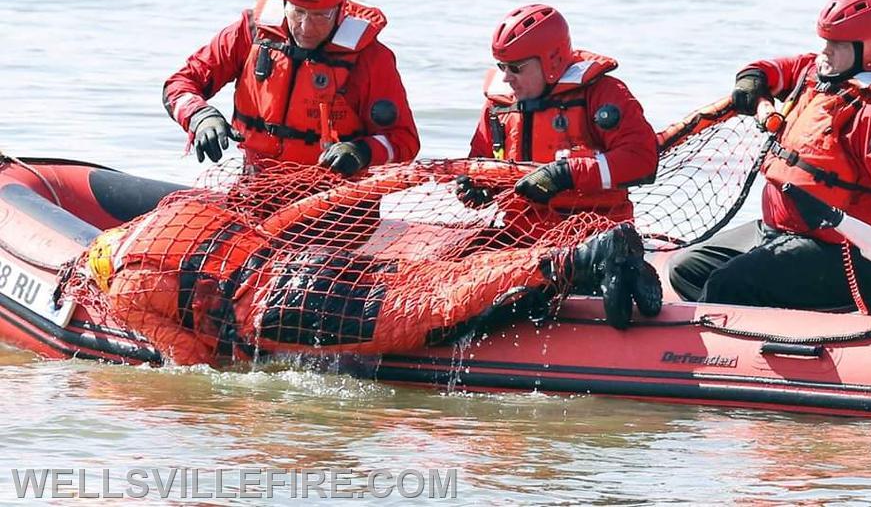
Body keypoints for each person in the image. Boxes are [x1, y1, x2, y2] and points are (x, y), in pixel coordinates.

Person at [81, 184, 659, 366]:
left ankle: (575, 261)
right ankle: (562, 270)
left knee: (422, 315)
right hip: (305, 263)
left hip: (279, 310)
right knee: (424, 285)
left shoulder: (124, 288)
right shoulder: (177, 213)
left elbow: (191, 360)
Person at [668, 0, 871, 310]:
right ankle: (768, 323)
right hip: (778, 232)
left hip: (843, 255)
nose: (825, 51)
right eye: (825, 40)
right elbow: (775, 68)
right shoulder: (816, 74)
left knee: (727, 285)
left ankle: (726, 347)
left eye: (836, 44)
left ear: (868, 50)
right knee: (686, 269)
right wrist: (752, 79)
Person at [162, 0, 420, 174]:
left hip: (338, 206)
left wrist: (361, 152)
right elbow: (180, 83)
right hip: (257, 190)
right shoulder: (249, 33)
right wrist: (201, 116)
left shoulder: (371, 59)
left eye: (321, 16)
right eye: (298, 12)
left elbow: (403, 141)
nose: (306, 27)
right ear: (284, 2)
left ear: (340, 10)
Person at [456, 4, 658, 221]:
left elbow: (642, 161)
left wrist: (566, 174)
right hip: (519, 233)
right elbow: (479, 166)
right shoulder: (497, 107)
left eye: (516, 68)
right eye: (502, 66)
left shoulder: (602, 94)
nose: (506, 77)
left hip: (596, 233)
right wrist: (476, 190)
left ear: (551, 61)